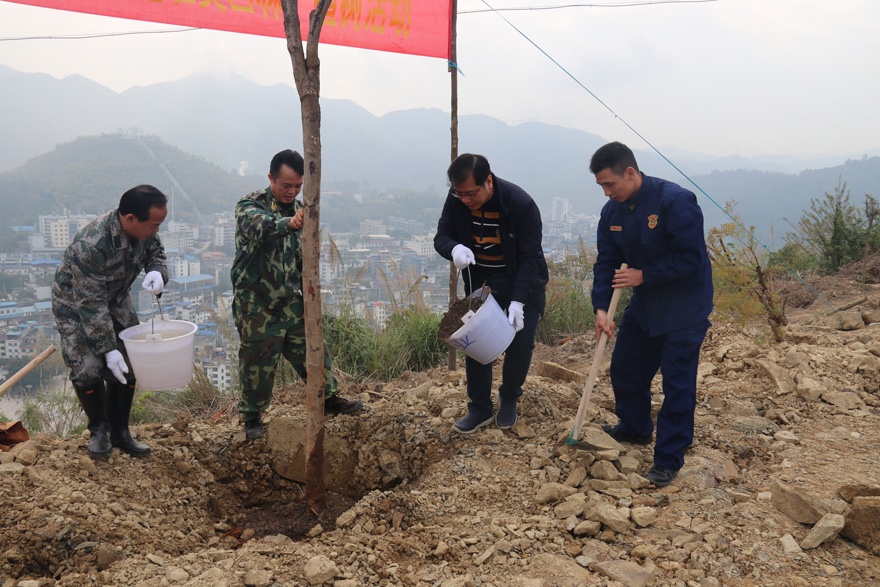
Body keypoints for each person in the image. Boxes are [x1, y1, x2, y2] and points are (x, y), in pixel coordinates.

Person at [589, 141, 713, 487]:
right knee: (626, 368)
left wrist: (645, 275)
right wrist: (601, 308)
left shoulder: (675, 201)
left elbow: (691, 259)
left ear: (630, 173)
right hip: (645, 306)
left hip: (685, 305)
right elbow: (607, 264)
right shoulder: (611, 213)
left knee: (676, 383)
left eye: (610, 184)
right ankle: (636, 427)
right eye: (601, 186)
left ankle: (669, 458)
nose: (606, 193)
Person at [232, 149, 363, 440]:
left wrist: (309, 300)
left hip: (292, 301)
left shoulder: (302, 210)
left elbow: (305, 259)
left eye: (297, 186)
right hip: (258, 305)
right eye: (286, 186)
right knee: (258, 362)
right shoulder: (250, 205)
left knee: (312, 352)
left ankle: (328, 398)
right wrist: (287, 224)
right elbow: (259, 226)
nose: (292, 192)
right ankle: (252, 416)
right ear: (271, 179)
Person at [52, 185, 169, 460]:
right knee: (88, 369)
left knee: (129, 363)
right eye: (153, 225)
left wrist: (158, 272)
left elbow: (157, 253)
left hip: (115, 298)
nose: (156, 230)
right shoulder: (91, 244)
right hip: (76, 306)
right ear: (130, 219)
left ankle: (120, 431)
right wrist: (108, 348)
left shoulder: (146, 231)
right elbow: (90, 305)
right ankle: (99, 429)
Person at [434, 153, 548, 433]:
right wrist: (454, 249)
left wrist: (519, 301)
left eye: (470, 194)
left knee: (520, 344)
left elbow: (530, 259)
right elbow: (441, 237)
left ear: (488, 181)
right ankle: (479, 408)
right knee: (475, 343)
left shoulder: (519, 203)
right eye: (459, 194)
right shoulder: (457, 199)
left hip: (521, 281)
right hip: (482, 283)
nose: (465, 200)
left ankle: (509, 397)